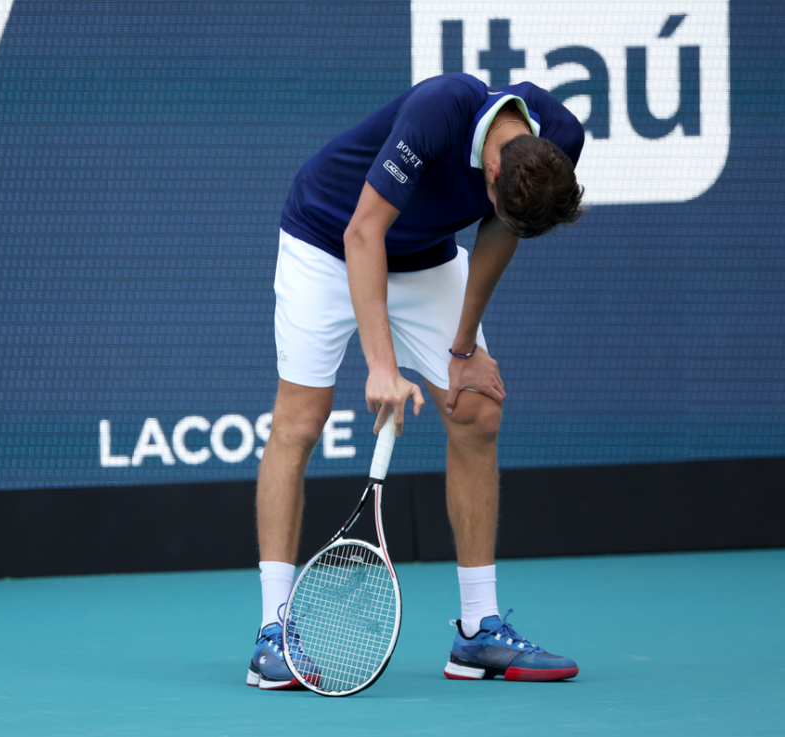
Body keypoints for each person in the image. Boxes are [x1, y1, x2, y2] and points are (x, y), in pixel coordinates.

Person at [246, 73, 586, 690]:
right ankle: (273, 634)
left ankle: (479, 631)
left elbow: (500, 230)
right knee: (299, 421)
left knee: (477, 410)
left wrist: (462, 347)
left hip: (424, 254)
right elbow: (362, 233)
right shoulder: (441, 108)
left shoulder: (557, 140)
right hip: (328, 236)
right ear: (491, 172)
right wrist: (381, 365)